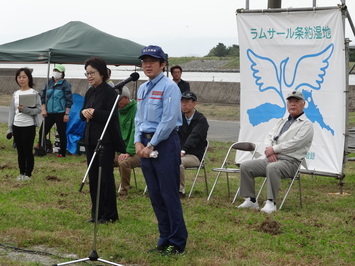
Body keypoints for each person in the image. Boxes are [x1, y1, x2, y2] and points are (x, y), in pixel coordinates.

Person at [134, 45, 188, 255]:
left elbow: (168, 121)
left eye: (152, 61)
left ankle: (177, 241)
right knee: (155, 195)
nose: (147, 65)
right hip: (146, 145)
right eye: (144, 61)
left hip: (164, 145)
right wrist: (138, 142)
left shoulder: (170, 87)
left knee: (169, 194)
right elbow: (139, 118)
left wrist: (151, 145)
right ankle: (164, 237)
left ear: (162, 64)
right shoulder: (143, 88)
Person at [237, 90, 314, 214]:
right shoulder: (282, 121)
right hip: (272, 158)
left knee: (273, 168)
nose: (293, 104)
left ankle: (271, 202)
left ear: (303, 104)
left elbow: (295, 143)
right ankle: (251, 200)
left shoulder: (306, 125)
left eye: (296, 101)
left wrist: (274, 149)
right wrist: (270, 150)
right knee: (246, 166)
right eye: (290, 101)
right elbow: (269, 136)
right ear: (287, 104)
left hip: (290, 162)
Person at [80, 56, 126, 224]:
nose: (89, 76)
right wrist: (84, 113)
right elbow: (82, 112)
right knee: (93, 177)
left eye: (92, 73)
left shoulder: (110, 92)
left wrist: (94, 112)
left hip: (105, 140)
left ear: (102, 73)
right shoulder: (90, 91)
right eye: (87, 73)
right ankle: (96, 213)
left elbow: (111, 115)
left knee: (105, 177)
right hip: (91, 139)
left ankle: (109, 214)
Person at [7, 68, 42, 180]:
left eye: (24, 77)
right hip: (17, 125)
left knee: (28, 151)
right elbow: (12, 111)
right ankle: (21, 173)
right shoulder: (15, 94)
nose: (21, 79)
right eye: (19, 77)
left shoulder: (34, 93)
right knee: (20, 151)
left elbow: (39, 109)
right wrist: (10, 128)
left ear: (29, 78)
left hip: (28, 126)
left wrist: (26, 110)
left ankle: (28, 174)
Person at [178, 91, 209, 198]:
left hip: (194, 155)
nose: (183, 104)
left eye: (187, 102)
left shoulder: (201, 120)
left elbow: (194, 137)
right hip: (179, 152)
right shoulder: (179, 117)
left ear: (194, 103)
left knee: (177, 162)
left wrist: (183, 150)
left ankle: (180, 190)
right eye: (182, 101)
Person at [39, 64, 73, 157]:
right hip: (49, 112)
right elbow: (43, 96)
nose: (56, 73)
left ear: (62, 73)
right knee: (42, 131)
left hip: (60, 112)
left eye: (58, 71)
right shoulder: (48, 83)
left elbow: (69, 100)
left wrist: (66, 114)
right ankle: (41, 149)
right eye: (55, 70)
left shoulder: (65, 84)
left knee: (61, 133)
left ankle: (62, 152)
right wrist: (43, 109)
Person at [116, 86, 140, 196]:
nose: (116, 105)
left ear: (125, 98)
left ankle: (123, 190)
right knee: (103, 158)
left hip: (136, 150)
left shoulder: (137, 109)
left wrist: (128, 152)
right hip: (120, 148)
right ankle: (106, 187)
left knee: (124, 162)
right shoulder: (116, 111)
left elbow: (136, 132)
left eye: (118, 101)